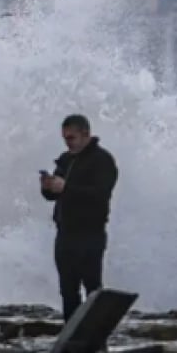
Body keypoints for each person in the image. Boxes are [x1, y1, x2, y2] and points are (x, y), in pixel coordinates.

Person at [40, 114, 119, 321]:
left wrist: (66, 187)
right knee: (68, 290)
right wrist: (48, 187)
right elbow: (53, 195)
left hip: (90, 234)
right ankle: (71, 336)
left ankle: (96, 336)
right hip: (65, 234)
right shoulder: (66, 159)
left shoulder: (102, 160)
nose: (67, 142)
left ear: (86, 134)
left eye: (71, 137)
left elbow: (100, 194)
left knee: (93, 289)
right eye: (65, 138)